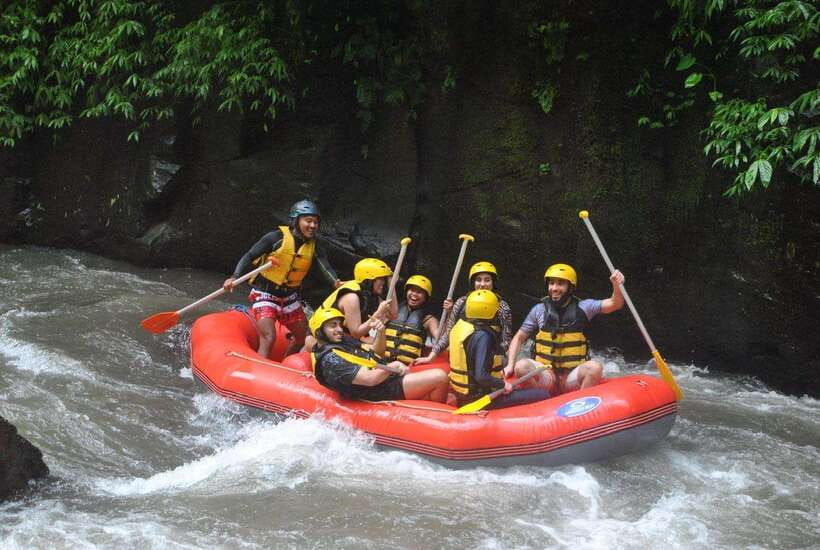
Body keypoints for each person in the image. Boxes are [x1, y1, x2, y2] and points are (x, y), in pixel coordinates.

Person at [223, 200, 341, 358]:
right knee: (269, 337)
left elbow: (325, 267)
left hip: (289, 297)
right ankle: (258, 369)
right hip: (265, 294)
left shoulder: (315, 247)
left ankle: (285, 363)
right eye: (308, 221)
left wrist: (336, 282)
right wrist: (234, 277)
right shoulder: (275, 238)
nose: (313, 226)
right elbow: (249, 256)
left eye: (316, 222)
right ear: (296, 221)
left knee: (303, 337)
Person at [503, 263, 625, 395]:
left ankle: (580, 405)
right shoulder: (539, 310)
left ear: (571, 287)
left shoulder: (585, 307)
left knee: (594, 367)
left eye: (560, 283)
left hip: (571, 377)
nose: (554, 288)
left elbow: (615, 303)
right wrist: (510, 364)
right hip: (546, 375)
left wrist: (617, 285)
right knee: (521, 366)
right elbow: (519, 337)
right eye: (551, 283)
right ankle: (538, 399)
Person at [309, 307, 449, 403]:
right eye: (333, 326)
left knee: (439, 381)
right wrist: (391, 366)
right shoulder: (331, 360)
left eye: (340, 325)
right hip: (376, 390)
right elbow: (369, 379)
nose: (339, 329)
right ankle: (434, 417)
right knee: (439, 377)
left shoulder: (342, 341)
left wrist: (381, 332)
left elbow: (377, 353)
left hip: (382, 379)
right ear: (320, 331)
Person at [449, 290, 550, 409]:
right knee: (543, 395)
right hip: (482, 399)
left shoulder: (461, 327)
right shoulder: (483, 336)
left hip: (462, 395)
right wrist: (503, 384)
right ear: (489, 310)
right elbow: (481, 376)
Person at [414, 261, 512, 365]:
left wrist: (494, 357)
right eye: (478, 280)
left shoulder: (502, 306)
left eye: (487, 280)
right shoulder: (462, 302)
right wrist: (430, 357)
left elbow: (506, 339)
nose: (482, 284)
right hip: (462, 357)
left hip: (489, 358)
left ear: (493, 282)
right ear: (473, 282)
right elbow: (448, 334)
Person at [319, 257, 398, 342]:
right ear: (368, 280)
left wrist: (391, 284)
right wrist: (378, 313)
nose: (383, 282)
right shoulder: (351, 298)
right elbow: (356, 333)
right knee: (372, 345)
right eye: (380, 278)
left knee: (376, 344)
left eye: (384, 279)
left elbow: (392, 315)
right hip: (322, 338)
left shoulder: (370, 295)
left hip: (343, 336)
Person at [383, 275, 439, 365]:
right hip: (384, 361)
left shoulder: (429, 319)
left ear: (426, 297)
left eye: (419, 292)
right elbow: (376, 327)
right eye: (412, 290)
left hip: (407, 366)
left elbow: (441, 339)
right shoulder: (393, 311)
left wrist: (448, 313)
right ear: (406, 292)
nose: (414, 294)